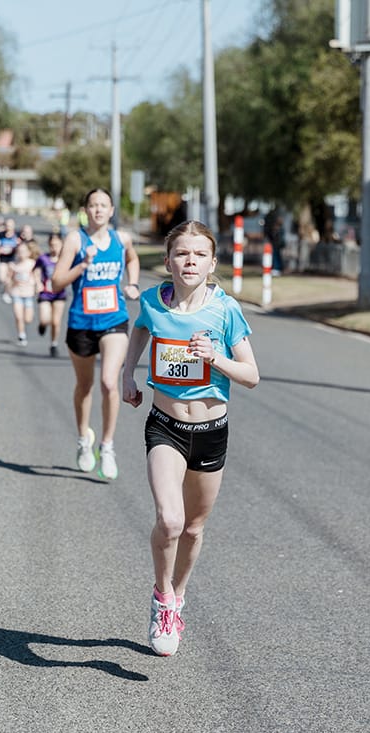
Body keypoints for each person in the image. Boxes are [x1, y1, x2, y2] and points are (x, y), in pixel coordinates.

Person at [121, 220, 260, 656]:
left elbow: (252, 376)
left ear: (212, 263)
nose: (190, 261)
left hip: (211, 430)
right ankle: (162, 599)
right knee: (171, 520)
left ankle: (178, 595)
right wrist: (128, 372)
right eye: (182, 253)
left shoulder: (225, 310)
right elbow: (141, 328)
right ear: (168, 261)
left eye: (199, 254)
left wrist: (214, 358)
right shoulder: (152, 302)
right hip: (165, 425)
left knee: (195, 528)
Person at [51, 187, 141, 481]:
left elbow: (132, 260)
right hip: (81, 323)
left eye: (104, 205)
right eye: (93, 205)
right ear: (86, 210)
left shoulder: (121, 238)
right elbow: (56, 283)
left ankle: (108, 445)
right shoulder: (76, 240)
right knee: (85, 386)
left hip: (114, 320)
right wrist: (83, 265)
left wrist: (133, 284)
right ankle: (83, 439)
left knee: (108, 382)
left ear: (112, 210)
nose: (99, 210)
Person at [34, 232, 67, 357]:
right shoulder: (43, 259)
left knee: (56, 321)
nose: (54, 248)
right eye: (52, 245)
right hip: (45, 293)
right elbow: (36, 271)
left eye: (57, 245)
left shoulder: (65, 260)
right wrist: (37, 283)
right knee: (45, 318)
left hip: (59, 294)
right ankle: (42, 325)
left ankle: (54, 344)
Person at [6, 240, 40, 346]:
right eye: (19, 251)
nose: (21, 254)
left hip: (28, 294)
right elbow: (9, 278)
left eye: (24, 251)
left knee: (28, 319)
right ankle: (21, 335)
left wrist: (37, 284)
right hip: (17, 293)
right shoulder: (14, 264)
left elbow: (36, 276)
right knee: (18, 316)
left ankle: (23, 329)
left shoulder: (32, 264)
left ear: (29, 252)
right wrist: (8, 289)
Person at [0, 219, 21, 303]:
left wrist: (17, 247)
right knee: (2, 278)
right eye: (7, 225)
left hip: (13, 259)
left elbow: (23, 246)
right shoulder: (1, 235)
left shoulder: (17, 236)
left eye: (11, 225)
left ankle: (7, 293)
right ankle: (2, 284)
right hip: (3, 259)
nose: (9, 227)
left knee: (9, 278)